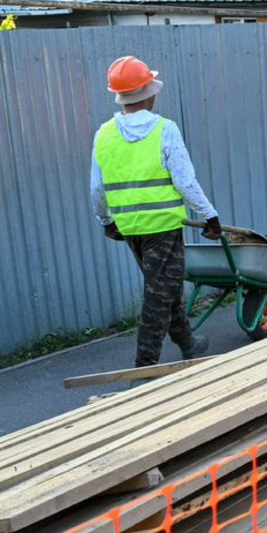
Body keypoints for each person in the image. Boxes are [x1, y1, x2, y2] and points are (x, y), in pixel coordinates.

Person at [92, 56, 221, 367]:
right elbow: (185, 182)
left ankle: (189, 343)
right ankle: (145, 365)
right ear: (149, 93)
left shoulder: (104, 134)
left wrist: (106, 220)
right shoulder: (165, 129)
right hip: (163, 228)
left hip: (130, 229)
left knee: (163, 287)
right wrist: (210, 216)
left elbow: (97, 189)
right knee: (157, 296)